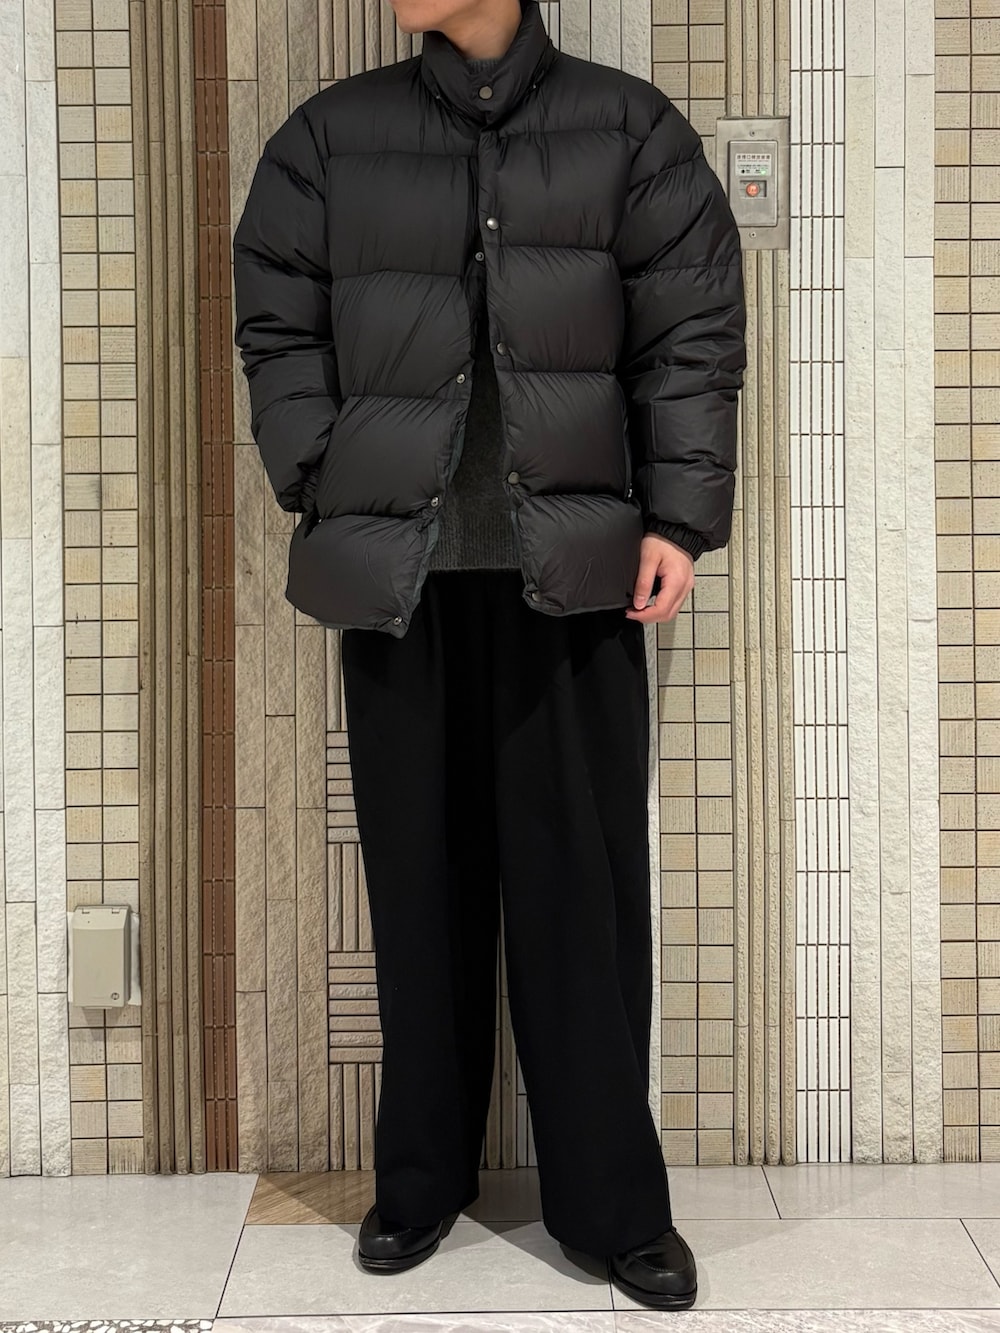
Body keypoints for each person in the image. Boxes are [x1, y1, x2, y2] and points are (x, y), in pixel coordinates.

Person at [232, 0, 746, 1311]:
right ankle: (419, 1183)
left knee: (583, 899)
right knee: (418, 889)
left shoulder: (628, 129)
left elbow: (691, 326)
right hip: (399, 584)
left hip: (570, 580)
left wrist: (678, 518)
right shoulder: (328, 139)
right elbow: (276, 321)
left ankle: (614, 1207)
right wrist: (320, 473)